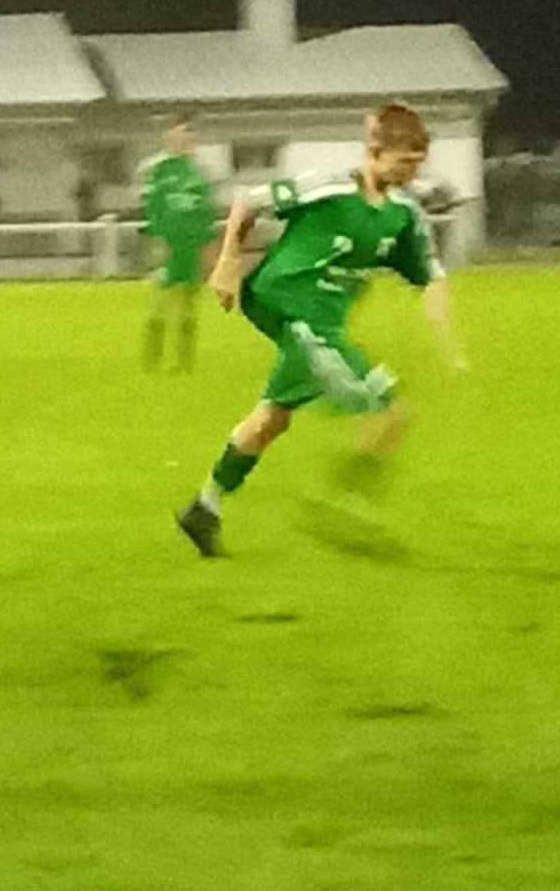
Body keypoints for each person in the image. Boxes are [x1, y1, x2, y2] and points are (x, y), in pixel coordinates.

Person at [175, 101, 465, 559]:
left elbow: (431, 278)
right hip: (287, 304)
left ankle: (204, 507)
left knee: (272, 419)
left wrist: (449, 343)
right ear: (375, 150)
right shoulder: (329, 188)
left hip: (319, 321)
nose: (412, 171)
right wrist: (228, 263)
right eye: (404, 160)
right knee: (389, 412)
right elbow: (249, 201)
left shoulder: (404, 217)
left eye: (417, 162)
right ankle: (336, 505)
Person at [140, 120, 218, 373]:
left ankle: (183, 363)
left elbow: (206, 215)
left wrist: (208, 251)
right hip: (168, 245)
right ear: (168, 138)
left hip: (191, 246)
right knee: (159, 300)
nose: (185, 142)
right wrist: (156, 242)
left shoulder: (198, 173)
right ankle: (152, 361)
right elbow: (152, 209)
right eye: (180, 136)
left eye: (189, 137)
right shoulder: (159, 171)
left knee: (188, 302)